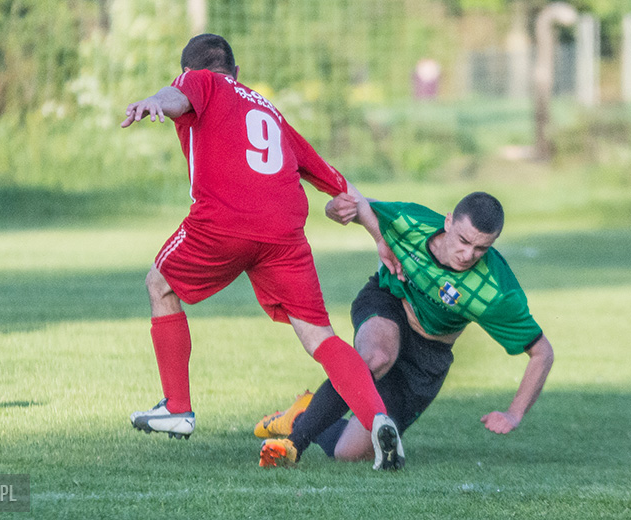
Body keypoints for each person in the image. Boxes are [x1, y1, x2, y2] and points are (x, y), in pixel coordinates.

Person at [120, 33, 402, 460]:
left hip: (226, 220)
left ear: (191, 72)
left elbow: (176, 96)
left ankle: (177, 408)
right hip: (285, 232)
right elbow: (336, 180)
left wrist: (156, 101)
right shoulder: (269, 110)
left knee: (160, 285)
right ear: (237, 72)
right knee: (318, 335)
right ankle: (377, 418)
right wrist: (379, 237)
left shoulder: (201, 83)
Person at [256, 192, 554, 469]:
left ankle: (300, 414)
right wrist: (337, 207)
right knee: (377, 356)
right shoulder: (412, 222)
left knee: (348, 454)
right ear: (448, 221)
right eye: (463, 240)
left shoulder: (495, 291)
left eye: (480, 248)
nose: (467, 254)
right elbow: (359, 204)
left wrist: (514, 414)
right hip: (388, 304)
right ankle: (295, 444)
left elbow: (542, 352)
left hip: (427, 357)